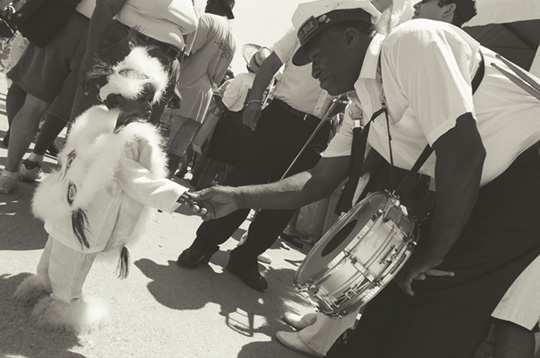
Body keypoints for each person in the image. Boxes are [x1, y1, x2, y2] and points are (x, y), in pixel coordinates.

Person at [185, 0, 540, 356]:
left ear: (351, 37)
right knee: (390, 299)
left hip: (528, 171)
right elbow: (318, 180)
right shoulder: (363, 101)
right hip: (497, 179)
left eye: (318, 57)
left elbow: (464, 155)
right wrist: (237, 196)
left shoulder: (411, 42)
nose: (314, 73)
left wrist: (432, 252)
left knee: (430, 302)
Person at [13, 47, 189, 333]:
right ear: (119, 97)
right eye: (142, 99)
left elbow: (139, 180)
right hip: (73, 211)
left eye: (150, 101)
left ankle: (63, 302)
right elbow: (73, 160)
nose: (149, 107)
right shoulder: (101, 127)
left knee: (69, 267)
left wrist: (178, 196)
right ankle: (48, 290)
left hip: (87, 217)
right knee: (54, 256)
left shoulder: (121, 136)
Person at [176, 24, 336, 292]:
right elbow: (272, 62)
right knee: (245, 181)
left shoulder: (364, 42)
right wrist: (253, 102)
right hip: (282, 116)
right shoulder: (309, 22)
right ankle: (203, 245)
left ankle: (246, 257)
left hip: (317, 130)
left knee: (286, 201)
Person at [0, 0, 96, 193]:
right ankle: (38, 169)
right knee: (75, 113)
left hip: (70, 20)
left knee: (36, 103)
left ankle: (9, 174)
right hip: (107, 33)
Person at [165, 0, 237, 177]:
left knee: (157, 144)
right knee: (176, 151)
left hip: (182, 89)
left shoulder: (207, 20)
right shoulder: (233, 40)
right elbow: (217, 77)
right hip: (203, 99)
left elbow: (183, 52)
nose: (206, 3)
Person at [193, 45, 272, 191]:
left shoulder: (241, 78)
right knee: (231, 166)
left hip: (230, 121)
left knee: (214, 161)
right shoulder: (267, 85)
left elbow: (226, 103)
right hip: (248, 126)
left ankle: (200, 191)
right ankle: (223, 195)